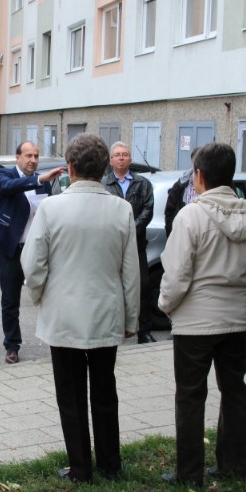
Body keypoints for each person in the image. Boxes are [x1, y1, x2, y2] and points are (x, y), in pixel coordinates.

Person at [20, 134, 138, 483]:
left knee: (70, 396)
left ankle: (81, 468)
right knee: (105, 392)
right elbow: (131, 272)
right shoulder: (121, 209)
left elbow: (33, 264)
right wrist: (131, 317)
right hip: (105, 313)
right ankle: (110, 464)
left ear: (70, 167)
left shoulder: (51, 208)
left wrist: (39, 297)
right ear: (104, 168)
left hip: (64, 315)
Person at [157, 144, 246, 486]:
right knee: (234, 391)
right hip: (237, 321)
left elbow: (177, 275)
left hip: (195, 324)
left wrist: (166, 306)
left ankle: (189, 473)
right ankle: (233, 466)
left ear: (200, 175)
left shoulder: (189, 216)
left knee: (190, 396)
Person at [0, 141, 65, 364]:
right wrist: (39, 179)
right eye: (29, 155)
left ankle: (57, 340)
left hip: (36, 251)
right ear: (18, 157)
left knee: (49, 295)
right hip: (11, 250)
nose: (33, 160)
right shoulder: (3, 175)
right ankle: (12, 345)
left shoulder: (44, 183)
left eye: (36, 156)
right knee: (10, 300)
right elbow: (8, 188)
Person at [101, 142, 155, 343]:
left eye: (125, 154)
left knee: (142, 287)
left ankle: (144, 331)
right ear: (111, 160)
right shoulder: (104, 184)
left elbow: (148, 210)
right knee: (112, 287)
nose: (121, 157)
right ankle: (113, 328)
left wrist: (131, 229)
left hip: (137, 244)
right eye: (117, 155)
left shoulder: (143, 183)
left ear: (130, 159)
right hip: (112, 246)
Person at [163, 147, 201, 238]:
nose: (200, 164)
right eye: (197, 160)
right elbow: (169, 213)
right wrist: (172, 237)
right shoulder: (181, 185)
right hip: (183, 235)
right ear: (192, 162)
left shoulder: (213, 184)